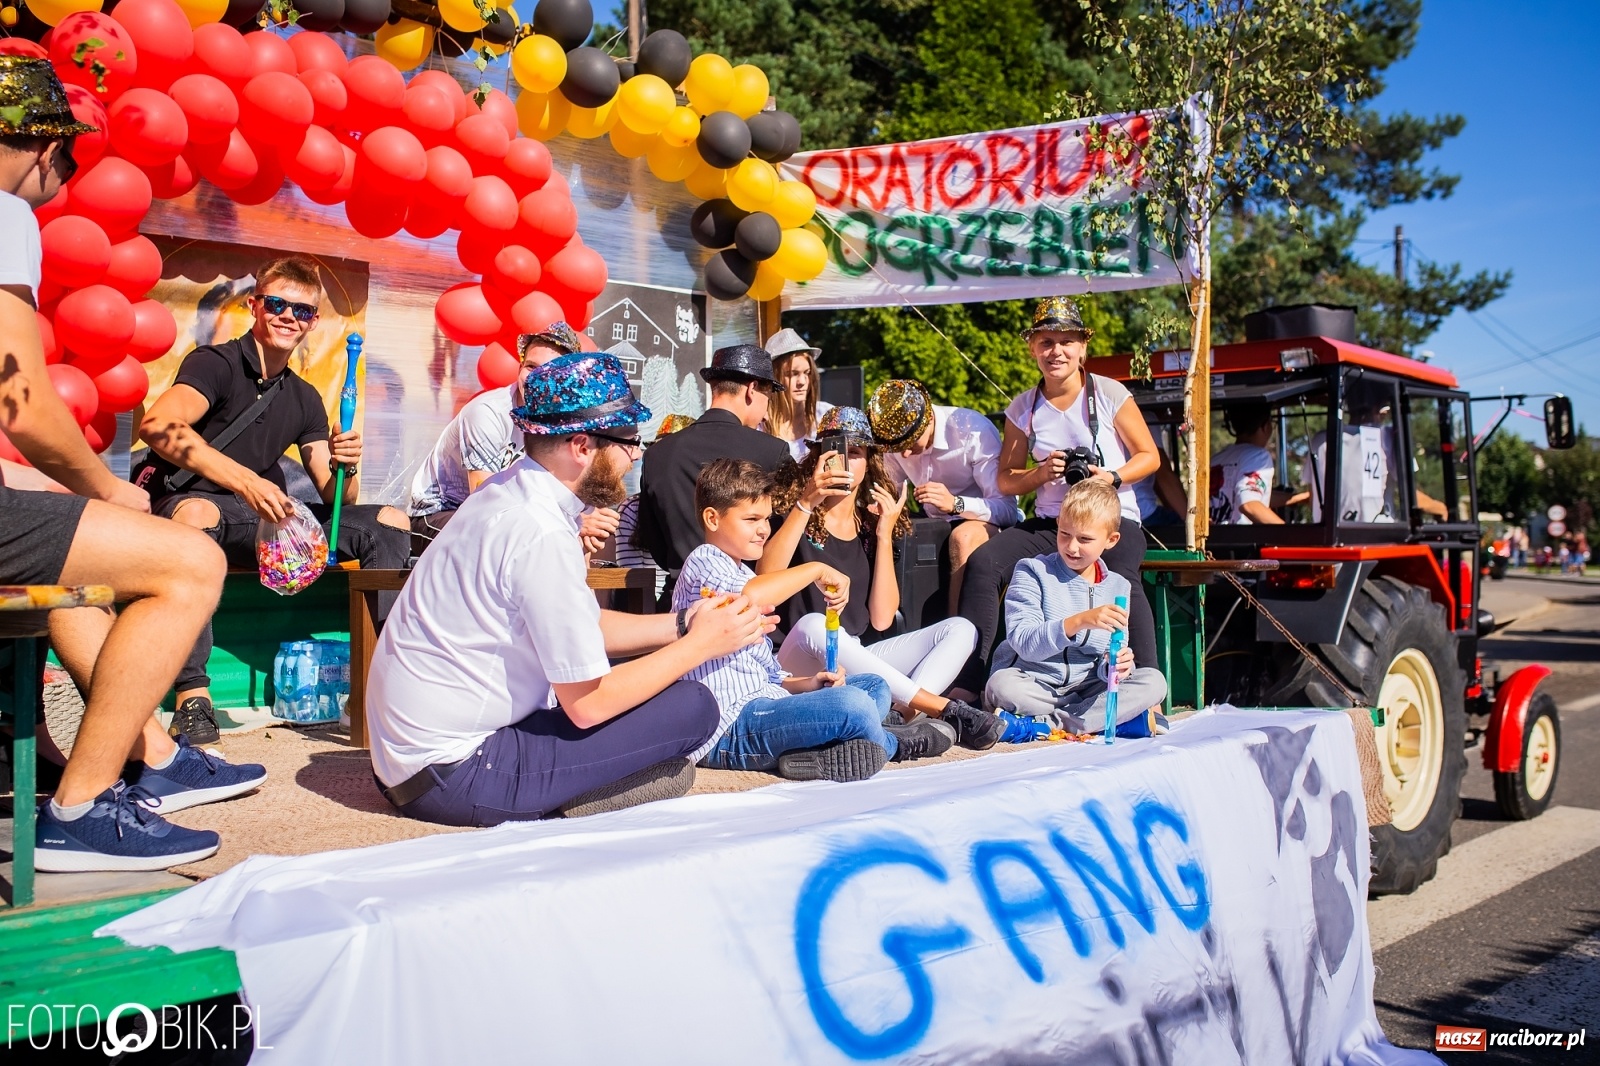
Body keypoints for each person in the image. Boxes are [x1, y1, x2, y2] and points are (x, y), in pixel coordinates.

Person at [366, 351, 767, 826]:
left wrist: (684, 624)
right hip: (459, 776)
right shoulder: (541, 531)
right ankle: (590, 793)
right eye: (628, 440)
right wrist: (703, 645)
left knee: (643, 676)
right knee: (694, 704)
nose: (636, 454)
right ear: (581, 445)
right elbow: (588, 704)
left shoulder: (505, 492)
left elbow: (584, 625)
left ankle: (598, 780)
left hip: (412, 762)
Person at [2, 56, 231, 871]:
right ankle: (81, 809)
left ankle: (157, 757)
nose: (61, 178)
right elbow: (19, 400)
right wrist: (104, 487)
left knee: (76, 553)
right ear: (34, 147)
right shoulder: (5, 211)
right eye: (64, 159)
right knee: (188, 562)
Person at [134, 255, 411, 743]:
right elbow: (158, 426)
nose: (289, 316)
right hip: (195, 509)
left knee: (387, 521)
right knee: (198, 512)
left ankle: (376, 686)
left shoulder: (304, 397)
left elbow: (338, 495)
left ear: (314, 321)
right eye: (278, 304)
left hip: (262, 522)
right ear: (254, 305)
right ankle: (193, 698)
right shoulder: (214, 363)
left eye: (301, 310)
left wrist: (346, 462)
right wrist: (245, 481)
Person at [674, 458, 952, 781]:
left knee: (875, 687)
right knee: (854, 706)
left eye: (765, 518)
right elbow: (755, 595)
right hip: (730, 727)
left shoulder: (737, 571)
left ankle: (820, 753)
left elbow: (768, 678)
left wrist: (810, 684)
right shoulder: (704, 562)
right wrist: (816, 569)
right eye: (751, 519)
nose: (763, 529)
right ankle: (892, 744)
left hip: (765, 705)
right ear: (712, 518)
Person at [762, 408, 1005, 750]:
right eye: (835, 450)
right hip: (794, 661)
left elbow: (882, 617)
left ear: (870, 463)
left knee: (961, 630)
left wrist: (885, 534)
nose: (845, 462)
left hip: (852, 657)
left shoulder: (870, 527)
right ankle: (940, 708)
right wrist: (806, 500)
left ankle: (900, 718)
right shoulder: (793, 511)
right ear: (817, 458)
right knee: (816, 623)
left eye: (856, 453)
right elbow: (765, 579)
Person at [956, 296, 1161, 692]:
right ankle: (967, 684)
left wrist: (1112, 478)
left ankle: (1145, 686)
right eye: (1046, 342)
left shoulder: (1108, 393)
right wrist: (1039, 474)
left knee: (1122, 576)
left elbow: (1149, 457)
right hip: (1055, 523)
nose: (1056, 351)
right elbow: (1006, 480)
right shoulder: (1024, 407)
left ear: (1083, 347)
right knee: (983, 564)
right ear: (1032, 348)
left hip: (1110, 521)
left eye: (1066, 341)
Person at [985, 481, 1168, 731]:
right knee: (1001, 686)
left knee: (1154, 682)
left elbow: (1109, 660)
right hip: (1035, 684)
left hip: (1088, 689)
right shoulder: (1031, 571)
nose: (1071, 547)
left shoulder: (1119, 586)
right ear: (1058, 523)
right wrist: (1079, 622)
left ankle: (1048, 725)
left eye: (1085, 539)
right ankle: (1099, 721)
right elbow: (1024, 642)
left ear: (1111, 540)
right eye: (1064, 534)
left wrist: (1117, 665)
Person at [406, 323, 582, 554]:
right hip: (438, 513)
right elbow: (486, 502)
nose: (537, 379)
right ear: (519, 368)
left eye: (550, 372)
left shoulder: (565, 423)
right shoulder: (488, 412)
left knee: (569, 539)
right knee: (517, 539)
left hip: (506, 516)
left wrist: (581, 521)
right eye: (531, 367)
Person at [634, 343, 792, 596]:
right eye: (769, 397)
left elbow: (655, 542)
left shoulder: (657, 454)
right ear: (752, 389)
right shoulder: (772, 451)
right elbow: (786, 538)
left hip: (679, 600)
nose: (766, 411)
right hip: (745, 604)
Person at [867, 378, 1023, 615]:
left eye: (911, 443)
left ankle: (957, 635)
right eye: (899, 448)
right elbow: (890, 491)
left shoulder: (972, 431)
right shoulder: (898, 442)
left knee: (963, 537)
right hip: (933, 521)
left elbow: (1008, 510)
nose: (906, 454)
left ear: (929, 419)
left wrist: (955, 503)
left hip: (986, 522)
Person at [763, 328, 834, 461]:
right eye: (792, 374)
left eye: (807, 373)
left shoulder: (827, 415)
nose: (802, 382)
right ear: (774, 377)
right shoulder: (759, 423)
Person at [1210, 402, 1283, 525]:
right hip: (1243, 542)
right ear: (1265, 426)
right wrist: (1294, 536)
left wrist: (1298, 498)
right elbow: (1249, 504)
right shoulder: (1258, 456)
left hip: (1212, 542)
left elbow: (1249, 491)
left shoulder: (1216, 460)